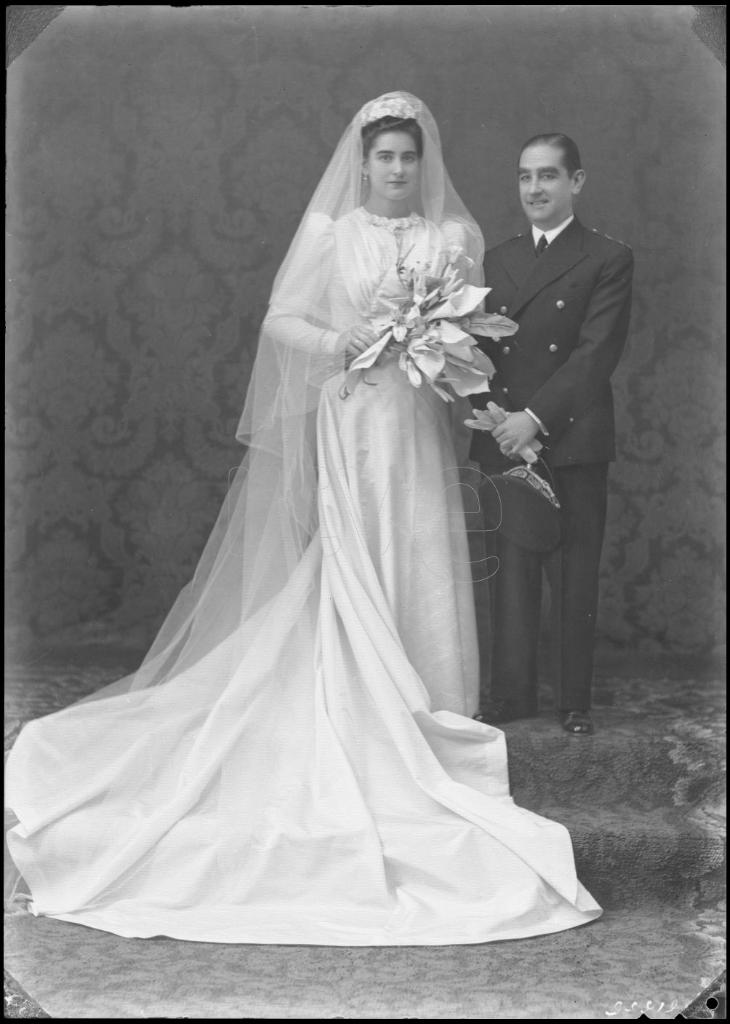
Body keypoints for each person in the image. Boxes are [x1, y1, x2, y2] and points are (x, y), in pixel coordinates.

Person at [5, 97, 601, 945]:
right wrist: (344, 341)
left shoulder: (452, 243)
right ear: (362, 163)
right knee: (356, 552)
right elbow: (280, 320)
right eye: (385, 158)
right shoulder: (334, 234)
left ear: (425, 162)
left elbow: (474, 341)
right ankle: (355, 690)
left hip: (417, 425)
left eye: (409, 157)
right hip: (355, 411)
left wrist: (438, 341)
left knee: (424, 545)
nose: (398, 170)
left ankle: (426, 696)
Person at [469, 133, 634, 736]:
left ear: (577, 183)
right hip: (504, 436)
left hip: (572, 434)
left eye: (548, 177)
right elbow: (478, 352)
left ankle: (573, 701)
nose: (534, 189)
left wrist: (532, 421)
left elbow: (594, 355)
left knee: (573, 569)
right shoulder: (498, 258)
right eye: (524, 178)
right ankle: (511, 695)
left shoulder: (607, 257)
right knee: (510, 569)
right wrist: (494, 417)